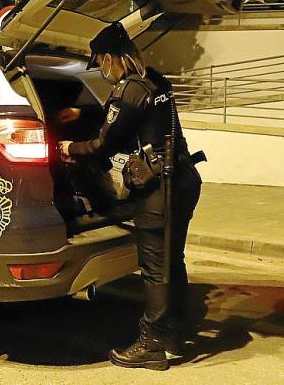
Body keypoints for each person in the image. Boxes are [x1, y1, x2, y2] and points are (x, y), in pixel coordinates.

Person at [57, 22, 202, 371]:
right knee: (172, 260)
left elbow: (103, 143)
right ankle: (175, 333)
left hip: (158, 189)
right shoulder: (154, 80)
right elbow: (126, 115)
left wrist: (69, 147)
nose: (101, 69)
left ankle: (151, 344)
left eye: (100, 62)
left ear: (110, 58)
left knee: (154, 268)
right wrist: (82, 113)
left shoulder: (129, 89)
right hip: (184, 179)